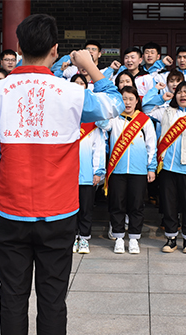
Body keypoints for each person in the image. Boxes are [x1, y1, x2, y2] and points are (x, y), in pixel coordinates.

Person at [0, 14, 124, 335]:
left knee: (12, 295)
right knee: (53, 298)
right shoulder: (71, 93)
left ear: (17, 48)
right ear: (55, 50)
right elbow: (114, 105)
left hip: (10, 210)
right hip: (58, 212)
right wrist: (90, 67)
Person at [147, 81, 186, 253]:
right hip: (168, 167)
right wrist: (160, 97)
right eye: (179, 92)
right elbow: (145, 109)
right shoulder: (167, 111)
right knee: (169, 205)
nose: (183, 95)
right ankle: (171, 238)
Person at [98, 86, 156, 254]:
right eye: (124, 99)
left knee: (136, 205)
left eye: (131, 99)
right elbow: (101, 123)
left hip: (139, 171)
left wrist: (151, 168)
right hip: (117, 171)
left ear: (137, 101)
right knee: (117, 204)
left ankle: (134, 238)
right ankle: (118, 237)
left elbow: (151, 146)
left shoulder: (144, 120)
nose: (128, 102)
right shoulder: (114, 119)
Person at [70, 74, 107, 254]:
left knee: (85, 209)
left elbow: (98, 148)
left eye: (81, 83)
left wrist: (97, 171)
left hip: (86, 175)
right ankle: (71, 238)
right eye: (75, 83)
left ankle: (84, 238)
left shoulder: (93, 123)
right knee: (69, 210)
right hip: (66, 175)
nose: (78, 86)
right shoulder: (64, 118)